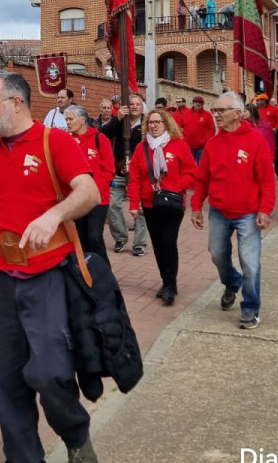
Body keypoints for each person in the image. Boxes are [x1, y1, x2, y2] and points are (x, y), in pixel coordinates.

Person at [0, 73, 99, 463]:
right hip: (4, 278)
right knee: (5, 381)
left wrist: (54, 213)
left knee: (50, 373)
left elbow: (90, 190)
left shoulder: (53, 141)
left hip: (47, 276)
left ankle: (76, 434)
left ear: (16, 103)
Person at [190, 91, 276, 330]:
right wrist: (197, 205)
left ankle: (250, 308)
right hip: (218, 211)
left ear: (238, 113)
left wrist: (265, 209)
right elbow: (202, 179)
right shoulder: (213, 143)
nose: (215, 114)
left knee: (250, 262)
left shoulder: (255, 141)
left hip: (248, 213)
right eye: (214, 110)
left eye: (221, 110)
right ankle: (232, 282)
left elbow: (267, 180)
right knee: (217, 254)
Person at [128, 108, 195, 305]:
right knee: (157, 244)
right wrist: (133, 203)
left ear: (166, 124)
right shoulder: (142, 148)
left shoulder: (179, 145)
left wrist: (176, 187)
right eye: (150, 122)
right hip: (150, 204)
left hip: (172, 203)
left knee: (168, 241)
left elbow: (191, 173)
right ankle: (166, 281)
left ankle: (170, 284)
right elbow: (134, 179)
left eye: (158, 122)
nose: (154, 126)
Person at [63, 104, 113, 263]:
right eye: (66, 119)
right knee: (82, 238)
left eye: (70, 119)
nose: (68, 123)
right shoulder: (67, 141)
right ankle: (89, 272)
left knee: (94, 237)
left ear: (83, 120)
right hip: (76, 199)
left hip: (98, 199)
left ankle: (105, 273)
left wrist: (96, 190)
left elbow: (109, 170)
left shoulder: (99, 138)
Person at [100, 93, 149, 256]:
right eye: (132, 104)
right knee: (112, 205)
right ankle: (120, 237)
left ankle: (140, 244)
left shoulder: (148, 125)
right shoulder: (121, 121)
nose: (134, 106)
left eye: (138, 104)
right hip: (119, 172)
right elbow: (103, 134)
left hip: (139, 175)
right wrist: (117, 118)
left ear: (142, 107)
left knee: (140, 210)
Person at [257, 94, 278, 181]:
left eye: (259, 100)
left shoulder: (275, 110)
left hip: (273, 134)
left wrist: (276, 128)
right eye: (257, 100)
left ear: (264, 100)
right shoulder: (256, 111)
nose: (257, 102)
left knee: (276, 151)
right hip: (261, 135)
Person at [180, 95, 216, 163]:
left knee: (201, 166)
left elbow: (212, 129)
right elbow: (180, 127)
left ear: (203, 104)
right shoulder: (185, 114)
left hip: (201, 147)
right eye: (196, 102)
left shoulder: (207, 115)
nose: (198, 104)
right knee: (189, 166)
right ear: (193, 103)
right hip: (188, 146)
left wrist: (204, 140)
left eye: (200, 102)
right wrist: (183, 139)